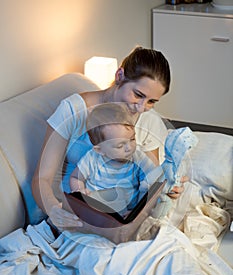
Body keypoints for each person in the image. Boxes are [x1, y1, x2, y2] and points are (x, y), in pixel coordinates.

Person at [32, 46, 187, 235]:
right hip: (76, 209)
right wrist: (53, 210)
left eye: (151, 101)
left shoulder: (149, 120)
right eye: (138, 95)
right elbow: (42, 178)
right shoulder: (73, 111)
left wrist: (166, 190)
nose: (141, 108)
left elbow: (148, 184)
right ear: (120, 75)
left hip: (121, 215)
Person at [69, 103, 163, 216]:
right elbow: (76, 177)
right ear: (100, 150)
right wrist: (79, 191)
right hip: (96, 209)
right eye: (120, 146)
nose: (129, 148)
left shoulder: (138, 158)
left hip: (127, 212)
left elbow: (154, 178)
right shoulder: (92, 158)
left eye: (132, 139)